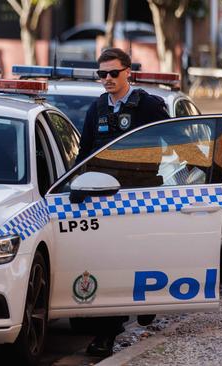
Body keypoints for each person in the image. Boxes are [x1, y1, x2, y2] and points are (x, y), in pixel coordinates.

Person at [76, 48, 170, 357]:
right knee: (110, 266)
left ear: (128, 71)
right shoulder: (97, 109)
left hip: (141, 198)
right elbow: (85, 155)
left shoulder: (149, 106)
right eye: (101, 74)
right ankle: (106, 335)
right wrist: (75, 184)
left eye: (112, 73)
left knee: (140, 259)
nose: (106, 79)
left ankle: (148, 302)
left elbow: (176, 141)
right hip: (105, 201)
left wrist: (203, 170)